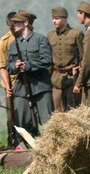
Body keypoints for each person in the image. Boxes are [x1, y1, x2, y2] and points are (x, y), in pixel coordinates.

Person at [7, 10, 54, 138]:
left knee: (47, 123)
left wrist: (28, 65)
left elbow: (47, 61)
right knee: (20, 123)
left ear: (26, 23)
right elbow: (8, 66)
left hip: (41, 88)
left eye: (17, 22)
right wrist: (15, 66)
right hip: (21, 88)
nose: (14, 24)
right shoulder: (13, 45)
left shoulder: (40, 40)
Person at [48, 6, 84, 112]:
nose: (54, 21)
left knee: (72, 109)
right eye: (53, 18)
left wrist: (79, 78)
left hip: (72, 77)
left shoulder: (76, 34)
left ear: (65, 18)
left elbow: (83, 57)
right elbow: (49, 59)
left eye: (57, 18)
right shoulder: (50, 35)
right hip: (55, 79)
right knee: (56, 110)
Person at [0, 12, 17, 148]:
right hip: (10, 83)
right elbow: (2, 66)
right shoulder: (4, 41)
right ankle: (12, 142)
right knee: (11, 115)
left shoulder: (27, 37)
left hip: (27, 83)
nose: (14, 28)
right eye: (11, 26)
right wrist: (8, 86)